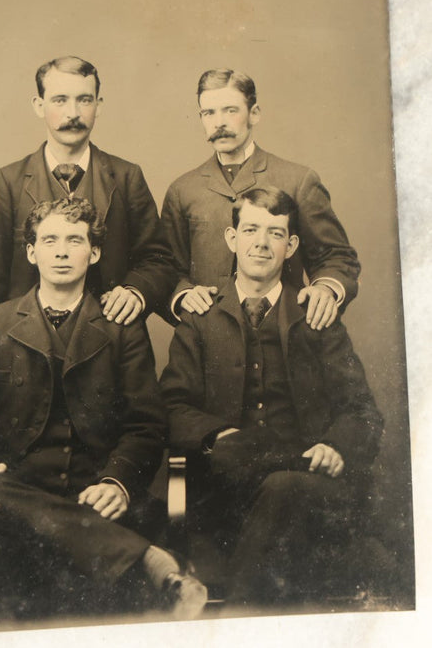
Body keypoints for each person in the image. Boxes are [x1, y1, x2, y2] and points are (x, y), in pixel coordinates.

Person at [0, 197, 206, 622]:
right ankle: (148, 561)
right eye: (49, 240)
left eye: (74, 240)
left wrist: (117, 483)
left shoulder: (122, 326)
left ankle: (131, 555)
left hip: (93, 493)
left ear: (94, 252)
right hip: (18, 491)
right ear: (31, 252)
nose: (61, 251)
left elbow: (146, 424)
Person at [160, 187, 383, 605]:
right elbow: (171, 406)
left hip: (304, 483)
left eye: (275, 234)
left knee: (282, 486)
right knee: (229, 454)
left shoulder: (317, 316)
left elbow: (361, 410)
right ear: (232, 239)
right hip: (224, 485)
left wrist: (335, 446)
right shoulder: (201, 317)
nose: (261, 243)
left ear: (291, 245)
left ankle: (238, 622)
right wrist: (215, 437)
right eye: (250, 230)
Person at [0, 55, 175, 328]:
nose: (73, 113)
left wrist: (135, 291)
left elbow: (159, 261)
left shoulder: (126, 177)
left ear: (98, 106)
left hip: (110, 339)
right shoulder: (10, 181)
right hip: (27, 343)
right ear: (39, 106)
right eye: (60, 100)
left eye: (84, 100)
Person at [161, 68, 360, 330]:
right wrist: (185, 294)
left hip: (284, 334)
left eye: (230, 110)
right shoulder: (183, 190)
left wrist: (325, 288)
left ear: (254, 113)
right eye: (209, 113)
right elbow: (165, 268)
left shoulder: (298, 180)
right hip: (210, 339)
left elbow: (336, 257)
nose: (218, 122)